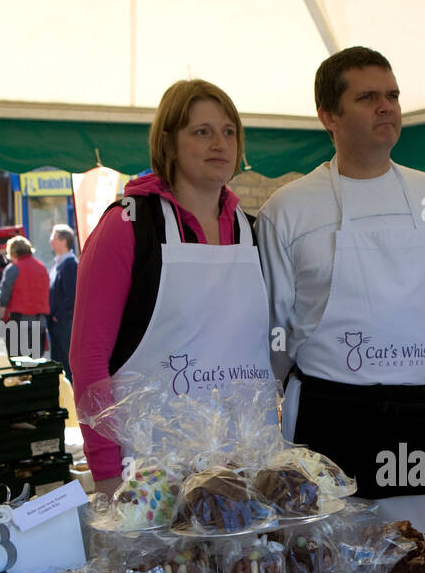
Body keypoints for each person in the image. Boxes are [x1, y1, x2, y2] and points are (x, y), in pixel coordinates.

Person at [256, 47, 425, 543]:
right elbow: (273, 326)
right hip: (325, 417)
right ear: (328, 116)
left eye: (393, 95)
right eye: (368, 97)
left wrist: (397, 359)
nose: (387, 107)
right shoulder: (288, 208)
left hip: (417, 418)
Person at [70, 78, 273, 496]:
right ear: (168, 143)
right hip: (151, 479)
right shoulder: (127, 225)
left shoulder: (254, 232)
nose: (219, 142)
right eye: (201, 131)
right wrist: (107, 474)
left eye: (229, 131)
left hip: (248, 471)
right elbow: (89, 359)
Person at [0, 236, 50, 358]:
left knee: (18, 362)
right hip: (40, 322)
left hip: (19, 321)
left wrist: (2, 319)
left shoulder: (13, 269)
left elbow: (3, 298)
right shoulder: (42, 267)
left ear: (12, 252)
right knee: (36, 362)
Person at [48, 224, 78, 381]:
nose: (50, 241)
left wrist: (58, 315)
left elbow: (72, 295)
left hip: (64, 322)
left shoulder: (70, 264)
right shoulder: (57, 263)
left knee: (67, 362)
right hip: (56, 322)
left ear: (64, 240)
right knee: (57, 361)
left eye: (53, 237)